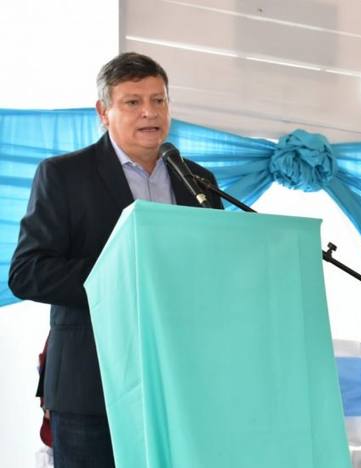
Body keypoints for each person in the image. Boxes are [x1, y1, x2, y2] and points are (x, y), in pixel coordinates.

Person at [9, 52, 223, 467]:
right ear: (103, 112)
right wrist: (126, 276)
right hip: (92, 385)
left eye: (158, 100)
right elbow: (28, 272)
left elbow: (213, 268)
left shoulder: (198, 180)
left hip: (180, 383)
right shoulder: (64, 175)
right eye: (133, 102)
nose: (149, 112)